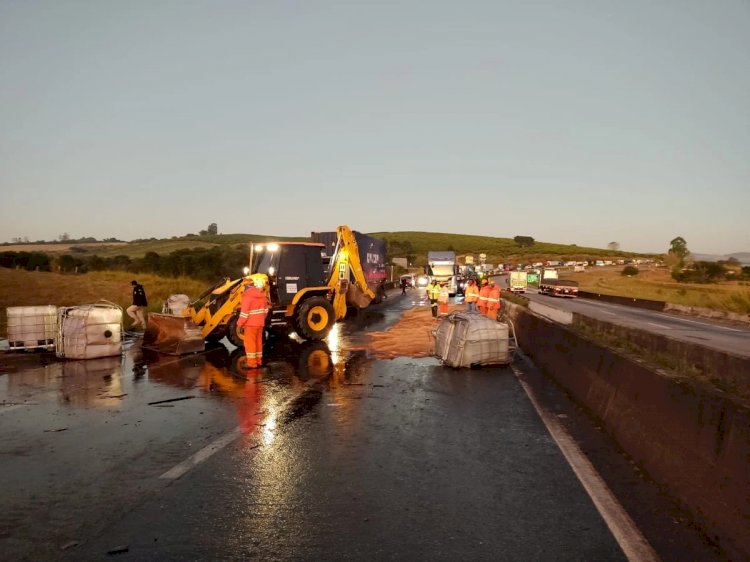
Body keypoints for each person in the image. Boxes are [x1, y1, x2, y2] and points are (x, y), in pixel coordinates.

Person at [238, 277, 270, 369]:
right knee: (258, 342)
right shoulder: (262, 296)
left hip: (250, 324)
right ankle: (258, 361)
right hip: (260, 324)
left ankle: (252, 363)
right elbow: (265, 311)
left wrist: (240, 323)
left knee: (250, 343)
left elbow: (244, 313)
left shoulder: (247, 297)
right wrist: (260, 319)